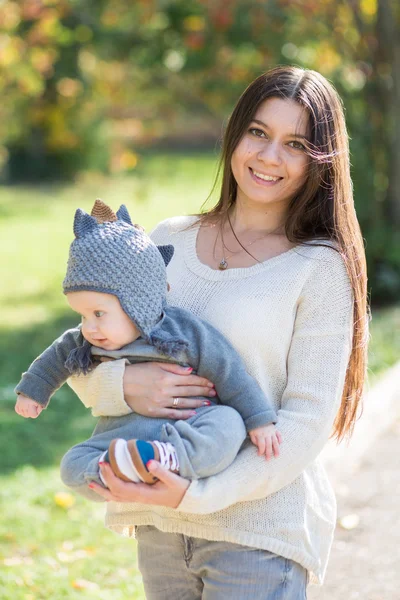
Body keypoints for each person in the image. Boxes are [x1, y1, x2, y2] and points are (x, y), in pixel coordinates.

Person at [47, 66, 371, 597]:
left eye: (294, 144)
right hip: (159, 527)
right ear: (236, 134)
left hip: (259, 534)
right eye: (259, 133)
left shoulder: (319, 267)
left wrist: (198, 492)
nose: (269, 157)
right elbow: (88, 343)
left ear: (319, 162)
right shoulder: (167, 240)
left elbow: (307, 421)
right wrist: (123, 388)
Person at [14, 199, 281, 491]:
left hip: (188, 426)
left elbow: (228, 370)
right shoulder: (85, 337)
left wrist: (258, 419)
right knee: (72, 464)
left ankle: (171, 460)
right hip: (122, 434)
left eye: (99, 314)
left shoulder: (183, 331)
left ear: (138, 303)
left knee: (229, 424)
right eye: (83, 315)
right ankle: (113, 469)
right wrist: (33, 391)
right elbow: (52, 361)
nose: (89, 327)